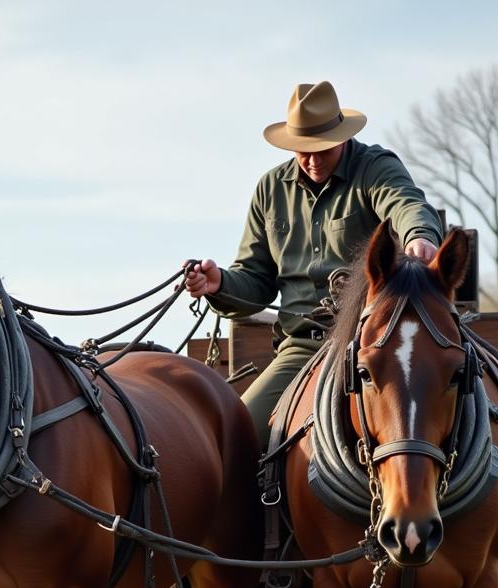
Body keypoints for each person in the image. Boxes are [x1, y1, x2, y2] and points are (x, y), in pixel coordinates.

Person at [185, 81, 443, 449]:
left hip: (371, 342)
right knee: (237, 435)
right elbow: (256, 281)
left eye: (323, 148)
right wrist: (219, 285)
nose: (312, 159)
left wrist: (419, 234)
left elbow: (405, 203)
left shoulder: (374, 168)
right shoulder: (270, 190)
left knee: (418, 435)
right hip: (302, 348)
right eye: (302, 150)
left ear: (342, 136)